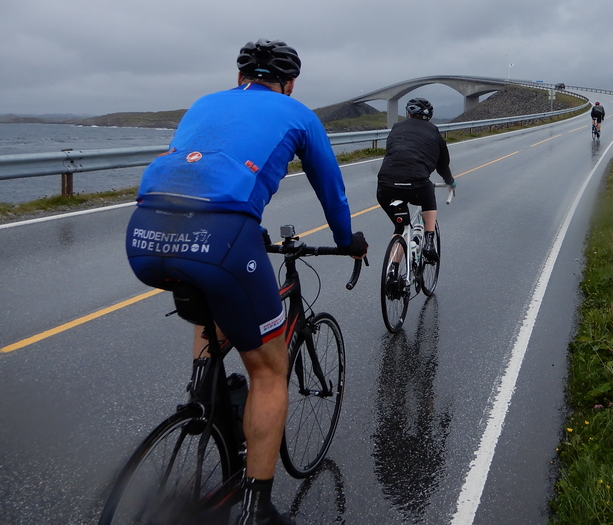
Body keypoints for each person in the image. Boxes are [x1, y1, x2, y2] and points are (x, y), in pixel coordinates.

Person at [126, 39, 368, 525]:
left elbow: (202, 174)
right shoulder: (298, 114)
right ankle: (256, 509)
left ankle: (204, 390)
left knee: (211, 296)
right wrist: (348, 241)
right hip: (221, 239)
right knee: (268, 371)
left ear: (240, 77)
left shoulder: (203, 103)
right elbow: (332, 192)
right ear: (290, 83)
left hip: (143, 233)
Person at [376, 98, 455, 264]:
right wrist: (450, 181)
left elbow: (393, 150)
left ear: (408, 113)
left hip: (385, 186)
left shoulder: (397, 128)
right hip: (417, 186)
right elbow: (443, 164)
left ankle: (392, 273)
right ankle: (429, 242)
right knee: (428, 197)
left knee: (400, 228)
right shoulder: (433, 131)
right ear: (429, 116)